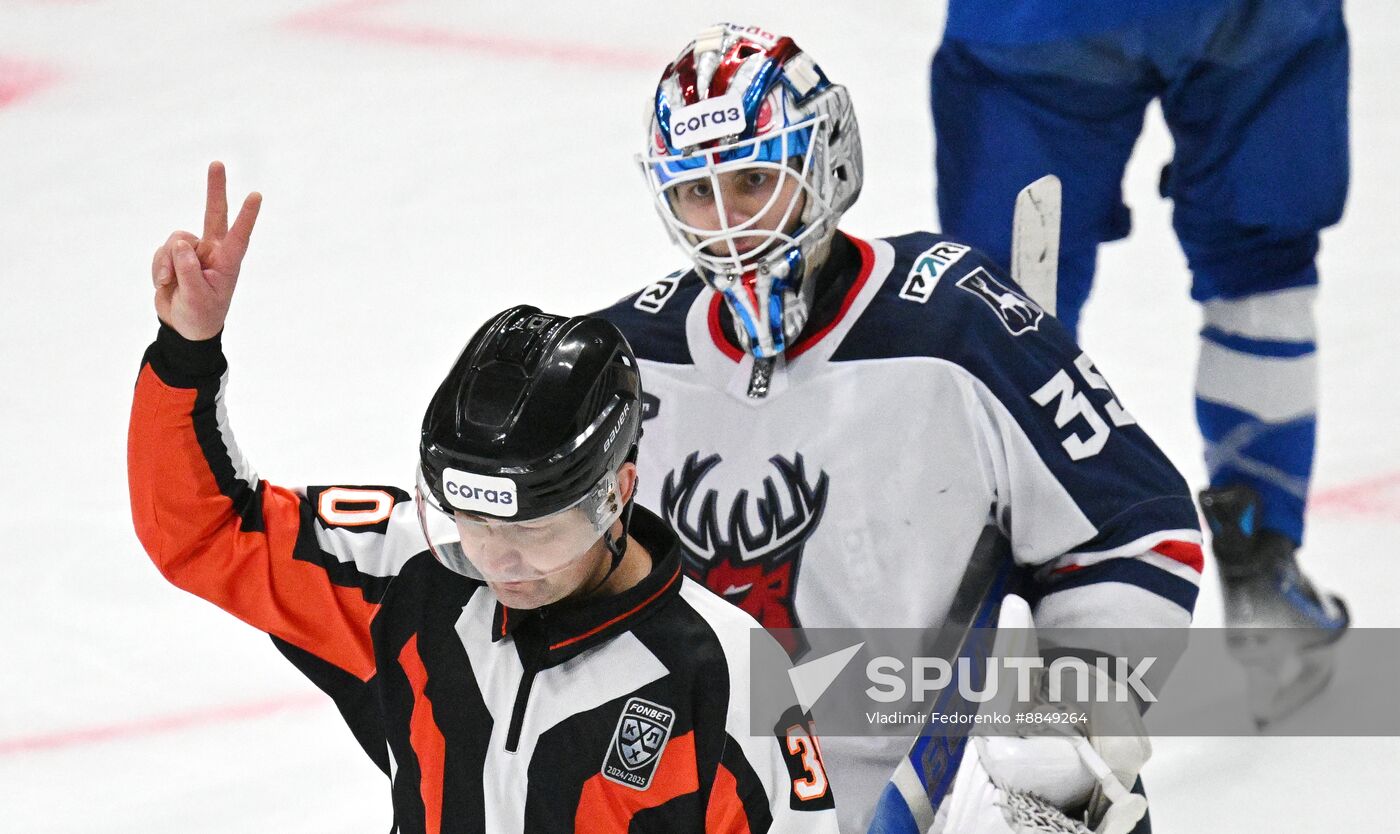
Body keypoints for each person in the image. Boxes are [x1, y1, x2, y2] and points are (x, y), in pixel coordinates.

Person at [593, 22, 1203, 833]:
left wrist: (1078, 710)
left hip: (946, 780)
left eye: (751, 180)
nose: (730, 225)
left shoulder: (957, 328)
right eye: (697, 193)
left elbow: (1140, 533)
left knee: (1052, 781)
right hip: (719, 787)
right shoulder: (623, 363)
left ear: (825, 165)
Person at [128, 162, 841, 833]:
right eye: (470, 522)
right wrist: (188, 349)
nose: (500, 561)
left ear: (616, 494)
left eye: (535, 530)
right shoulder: (409, 570)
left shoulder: (737, 674)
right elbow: (205, 532)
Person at [929, 0, 1349, 724]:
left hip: (1039, 24)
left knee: (1015, 302)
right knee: (1263, 267)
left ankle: (1014, 617)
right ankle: (1266, 582)